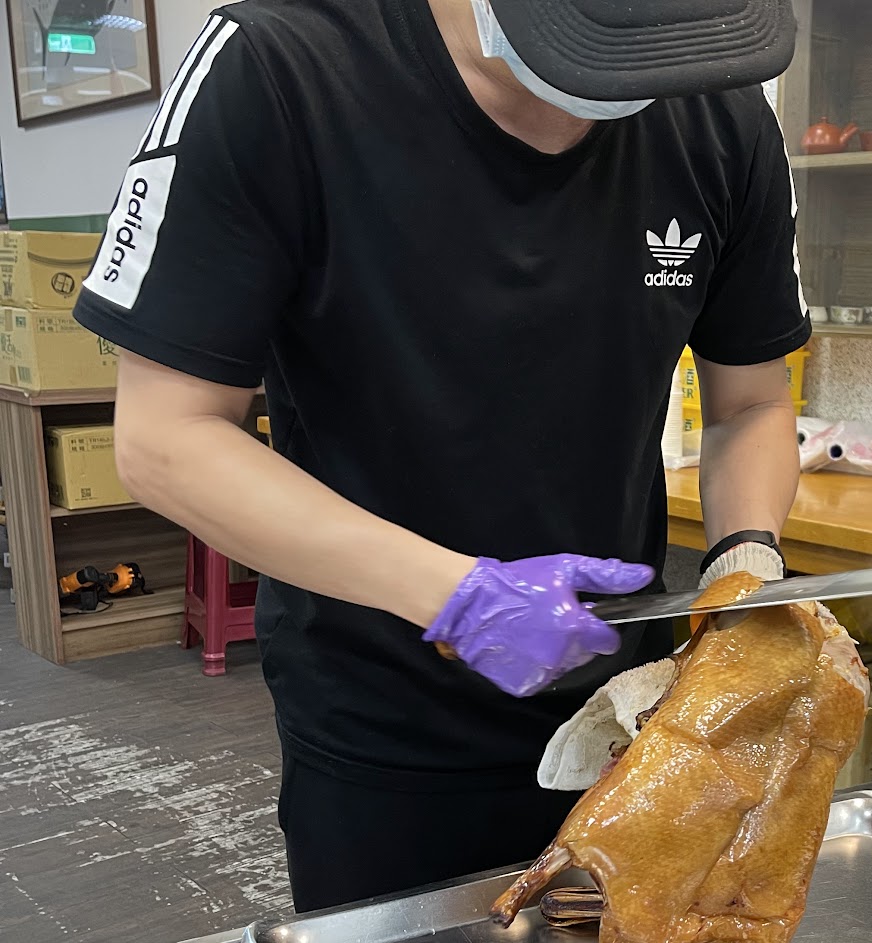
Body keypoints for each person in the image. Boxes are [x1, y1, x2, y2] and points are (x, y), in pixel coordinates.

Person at [73, 0, 809, 914]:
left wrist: (745, 561)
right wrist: (459, 595)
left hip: (634, 712)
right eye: (594, 46)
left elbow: (751, 401)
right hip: (385, 718)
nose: (621, 90)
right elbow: (164, 438)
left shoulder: (716, 106)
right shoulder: (279, 67)